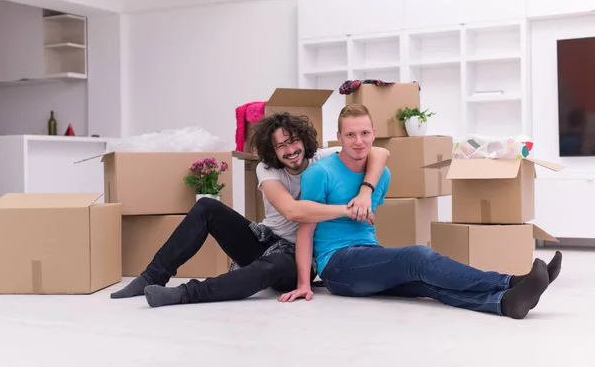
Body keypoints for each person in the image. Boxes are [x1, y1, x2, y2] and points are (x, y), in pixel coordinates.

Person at [278, 104, 563, 320]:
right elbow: (306, 226)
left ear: (374, 134)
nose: (358, 141)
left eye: (365, 133)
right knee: (417, 256)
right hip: (337, 266)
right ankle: (513, 280)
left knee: (425, 284)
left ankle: (506, 303)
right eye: (350, 134)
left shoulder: (382, 175)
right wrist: (305, 283)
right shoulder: (320, 173)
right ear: (338, 136)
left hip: (367, 253)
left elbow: (366, 223)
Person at [110, 111, 390, 307]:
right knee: (207, 205)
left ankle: (186, 294)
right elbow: (292, 211)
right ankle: (152, 276)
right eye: (281, 146)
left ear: (304, 140)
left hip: (299, 258)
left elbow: (379, 152)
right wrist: (346, 209)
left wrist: (365, 192)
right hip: (263, 241)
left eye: (293, 141)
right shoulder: (266, 169)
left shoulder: (323, 158)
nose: (290, 150)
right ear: (272, 151)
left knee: (280, 263)